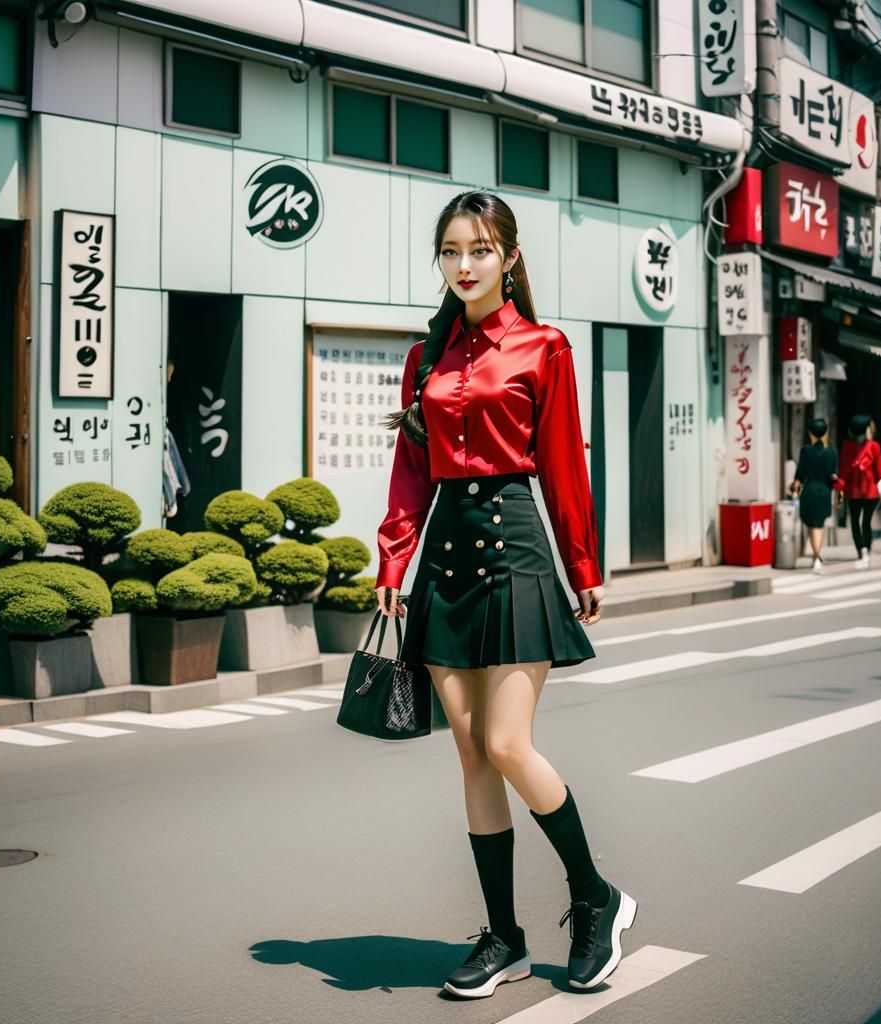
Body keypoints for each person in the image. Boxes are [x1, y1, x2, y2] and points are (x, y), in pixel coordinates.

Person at [373, 190, 635, 999]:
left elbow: (562, 463)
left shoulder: (543, 347)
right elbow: (412, 472)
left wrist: (583, 565)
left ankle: (595, 897)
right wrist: (392, 563)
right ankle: (505, 938)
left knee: (507, 742)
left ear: (509, 257)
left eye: (480, 249)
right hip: (445, 559)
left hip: (516, 550)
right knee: (469, 750)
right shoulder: (426, 358)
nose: (464, 265)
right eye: (451, 250)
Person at [839, 413, 881, 569]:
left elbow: (844, 470)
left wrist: (839, 488)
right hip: (870, 491)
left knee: (855, 521)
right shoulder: (874, 446)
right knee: (866, 521)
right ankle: (866, 548)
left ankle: (861, 551)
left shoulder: (847, 446)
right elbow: (880, 468)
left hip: (853, 490)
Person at [788, 417, 839, 572]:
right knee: (820, 524)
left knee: (811, 524)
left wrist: (795, 484)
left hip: (809, 490)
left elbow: (800, 474)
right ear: (825, 433)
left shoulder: (805, 451)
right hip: (824, 491)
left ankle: (816, 556)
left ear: (811, 433)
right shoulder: (831, 452)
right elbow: (833, 475)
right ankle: (817, 556)